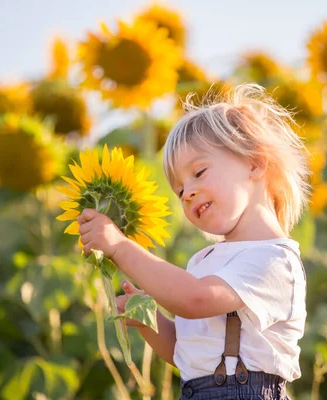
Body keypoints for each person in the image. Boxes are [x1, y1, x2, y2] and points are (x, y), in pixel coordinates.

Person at [77, 83, 311, 399]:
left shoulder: (274, 259)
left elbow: (195, 300)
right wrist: (149, 320)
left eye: (198, 172)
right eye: (179, 190)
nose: (187, 193)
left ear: (255, 162)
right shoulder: (204, 262)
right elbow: (184, 353)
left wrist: (120, 246)